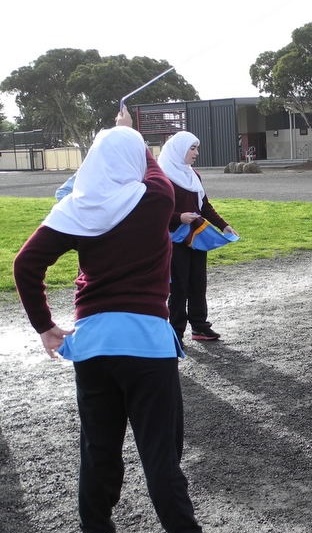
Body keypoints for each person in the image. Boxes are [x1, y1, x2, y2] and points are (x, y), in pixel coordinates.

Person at [12, 107, 203, 533]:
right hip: (148, 346)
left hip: (94, 346)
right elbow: (153, 169)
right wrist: (129, 133)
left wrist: (45, 327)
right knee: (160, 458)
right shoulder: (157, 199)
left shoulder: (78, 209)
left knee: (99, 451)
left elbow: (25, 265)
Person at [159, 131, 238, 345]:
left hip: (196, 239)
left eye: (196, 148)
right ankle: (175, 333)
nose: (196, 153)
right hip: (174, 242)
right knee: (179, 287)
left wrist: (224, 226)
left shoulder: (194, 175)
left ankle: (200, 326)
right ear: (178, 150)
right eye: (192, 148)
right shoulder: (161, 177)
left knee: (198, 283)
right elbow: (155, 212)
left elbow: (204, 206)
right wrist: (179, 217)